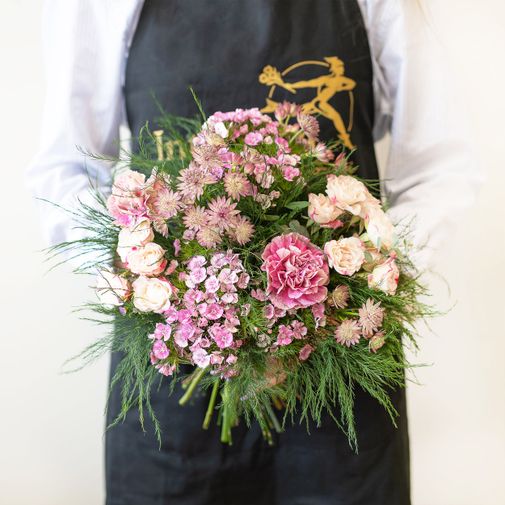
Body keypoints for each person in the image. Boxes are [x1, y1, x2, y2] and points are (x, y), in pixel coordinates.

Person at [26, 1, 482, 504]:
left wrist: (365, 278)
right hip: (174, 367)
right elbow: (65, 172)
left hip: (344, 364)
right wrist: (158, 285)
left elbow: (441, 166)